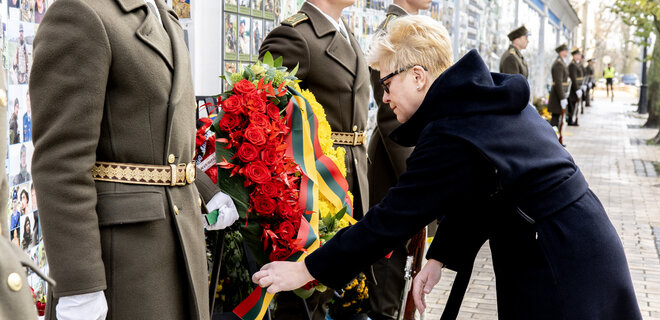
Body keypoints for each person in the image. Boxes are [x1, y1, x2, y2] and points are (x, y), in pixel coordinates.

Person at [252, 15, 642, 320]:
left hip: (560, 259)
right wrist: (439, 258)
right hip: (573, 241)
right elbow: (484, 187)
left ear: (418, 77)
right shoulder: (474, 101)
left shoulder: (451, 129)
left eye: (386, 85)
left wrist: (307, 270)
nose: (384, 98)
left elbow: (389, 221)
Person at [29, 1, 238, 319]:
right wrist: (79, 283)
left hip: (178, 239)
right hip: (126, 258)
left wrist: (208, 192)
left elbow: (161, 144)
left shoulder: (163, 14)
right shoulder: (82, 12)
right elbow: (61, 161)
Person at [259, 0, 371, 317]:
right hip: (314, 189)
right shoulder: (295, 36)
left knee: (346, 290)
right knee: (306, 298)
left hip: (350, 176)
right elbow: (264, 117)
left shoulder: (345, 31)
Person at [366, 0, 431, 319]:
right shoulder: (395, 29)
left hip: (409, 149)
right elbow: (389, 111)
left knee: (403, 256)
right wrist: (419, 176)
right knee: (390, 257)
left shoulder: (409, 26)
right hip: (398, 154)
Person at [548, 44, 569, 131]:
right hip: (557, 95)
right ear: (561, 52)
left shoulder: (561, 62)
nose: (567, 52)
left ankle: (557, 140)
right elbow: (558, 82)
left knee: (558, 118)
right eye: (565, 50)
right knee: (555, 120)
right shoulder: (559, 64)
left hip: (560, 93)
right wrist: (562, 97)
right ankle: (554, 141)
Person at [567, 48, 584, 126]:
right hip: (573, 88)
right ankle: (570, 120)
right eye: (577, 55)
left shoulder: (577, 64)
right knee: (572, 103)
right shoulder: (572, 65)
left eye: (579, 55)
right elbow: (573, 78)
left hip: (577, 87)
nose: (579, 56)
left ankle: (572, 119)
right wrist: (577, 89)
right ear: (574, 56)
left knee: (574, 104)